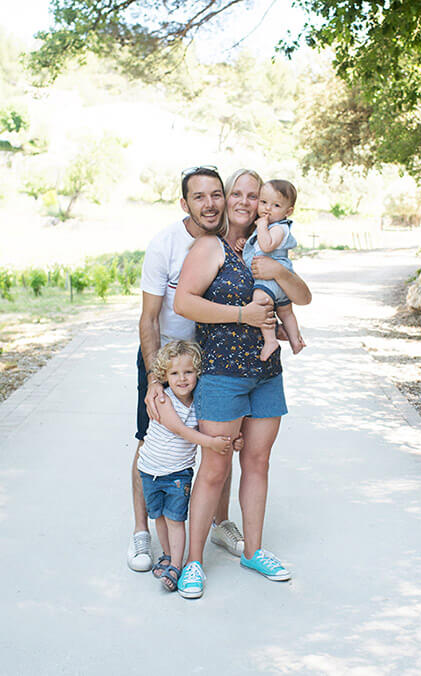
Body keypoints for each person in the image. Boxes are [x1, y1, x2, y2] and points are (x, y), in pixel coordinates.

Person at [173, 168, 312, 599]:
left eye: (254, 195)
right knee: (214, 468)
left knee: (257, 464)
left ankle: (252, 551)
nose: (244, 201)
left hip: (265, 376)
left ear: (262, 203)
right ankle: (192, 562)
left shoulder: (263, 247)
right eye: (237, 192)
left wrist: (276, 270)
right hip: (221, 376)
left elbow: (302, 296)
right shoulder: (209, 246)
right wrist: (240, 316)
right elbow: (184, 302)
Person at [129, 166, 247, 571]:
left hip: (212, 359)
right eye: (199, 197)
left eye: (216, 195)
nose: (210, 204)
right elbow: (149, 319)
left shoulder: (231, 239)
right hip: (164, 357)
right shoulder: (165, 244)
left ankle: (221, 522)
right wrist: (154, 379)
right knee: (151, 440)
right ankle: (142, 532)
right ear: (185, 203)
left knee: (221, 440)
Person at [138, 340, 241, 591]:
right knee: (159, 517)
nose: (182, 379)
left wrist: (232, 439)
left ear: (198, 372)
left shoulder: (200, 403)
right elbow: (182, 430)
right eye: (174, 373)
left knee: (175, 519)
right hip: (150, 470)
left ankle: (176, 564)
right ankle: (166, 555)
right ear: (165, 376)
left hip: (177, 473)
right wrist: (212, 443)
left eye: (188, 372)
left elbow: (211, 427)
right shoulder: (163, 400)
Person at [237, 179, 305, 361]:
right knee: (285, 311)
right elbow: (258, 245)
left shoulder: (279, 228)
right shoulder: (270, 227)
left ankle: (270, 340)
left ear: (288, 211)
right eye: (263, 202)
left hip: (271, 279)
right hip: (280, 283)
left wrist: (260, 226)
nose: (267, 208)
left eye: (275, 205)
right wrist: (246, 244)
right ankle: (295, 340)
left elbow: (266, 246)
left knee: (260, 301)